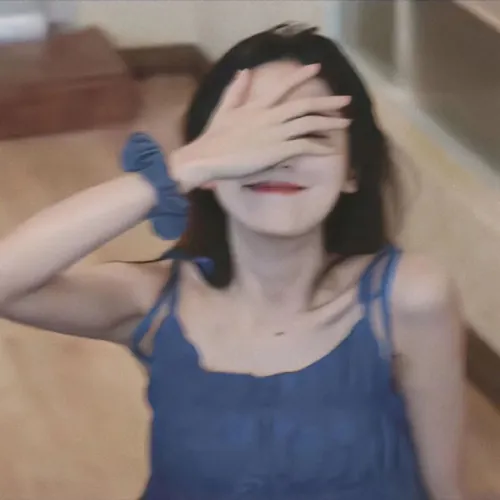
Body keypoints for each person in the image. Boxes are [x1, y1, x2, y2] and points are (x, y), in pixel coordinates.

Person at [0, 24, 465, 500]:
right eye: (249, 139)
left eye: (307, 133)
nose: (277, 158)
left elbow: (445, 490)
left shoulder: (410, 297)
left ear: (353, 172)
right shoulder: (152, 300)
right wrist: (183, 166)